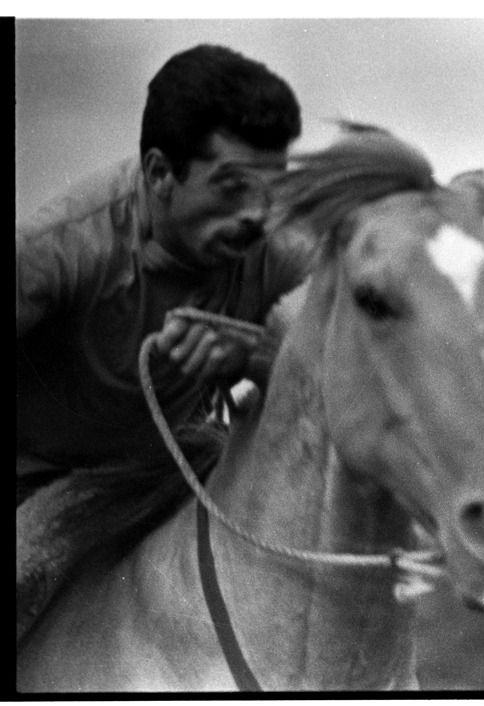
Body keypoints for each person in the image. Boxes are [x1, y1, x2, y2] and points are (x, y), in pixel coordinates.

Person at [16, 44, 315, 643]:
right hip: (38, 485)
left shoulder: (279, 248)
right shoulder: (57, 250)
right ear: (158, 174)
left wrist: (254, 354)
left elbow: (345, 361)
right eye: (232, 187)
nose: (258, 215)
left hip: (173, 475)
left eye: (272, 188)